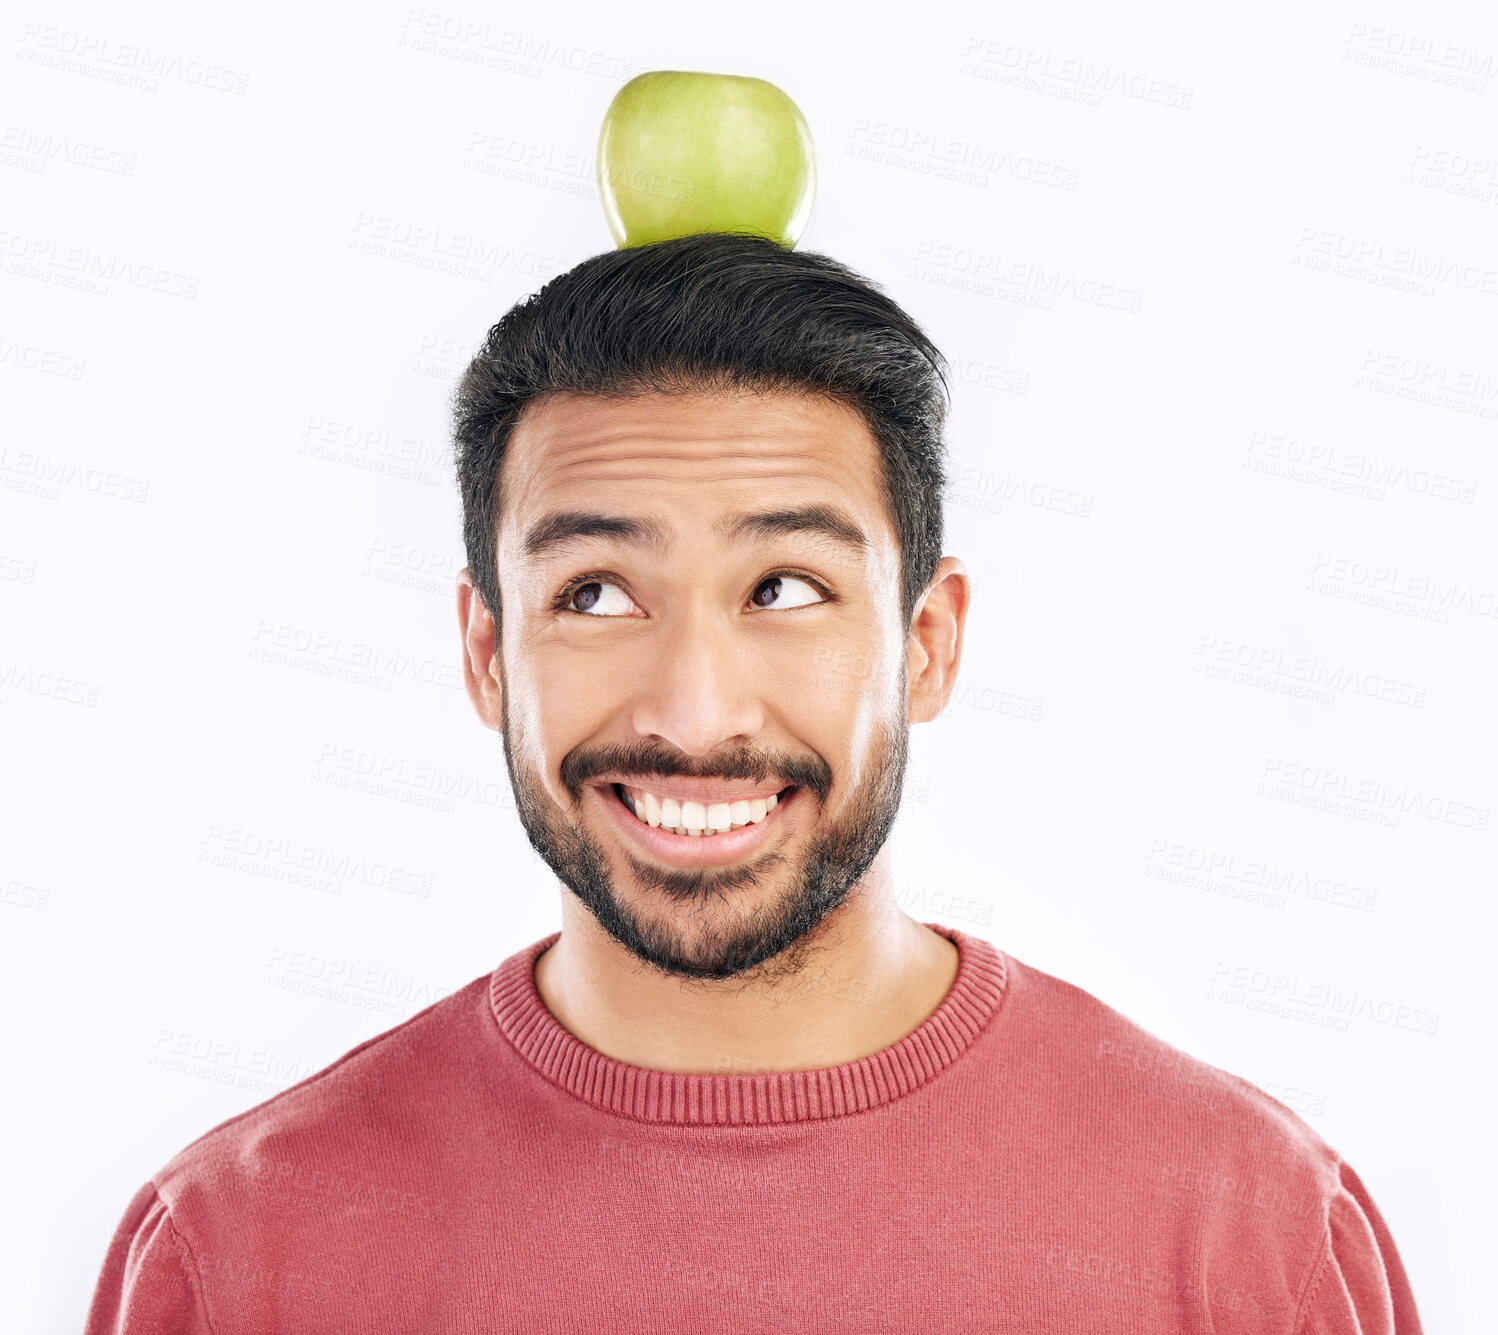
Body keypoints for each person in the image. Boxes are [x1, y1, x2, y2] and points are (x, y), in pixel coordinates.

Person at [84, 233, 1423, 1332]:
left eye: (783, 588)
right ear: (487, 654)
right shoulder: (241, 1250)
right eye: (596, 594)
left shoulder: (1245, 1232)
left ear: (927, 642)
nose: (694, 709)